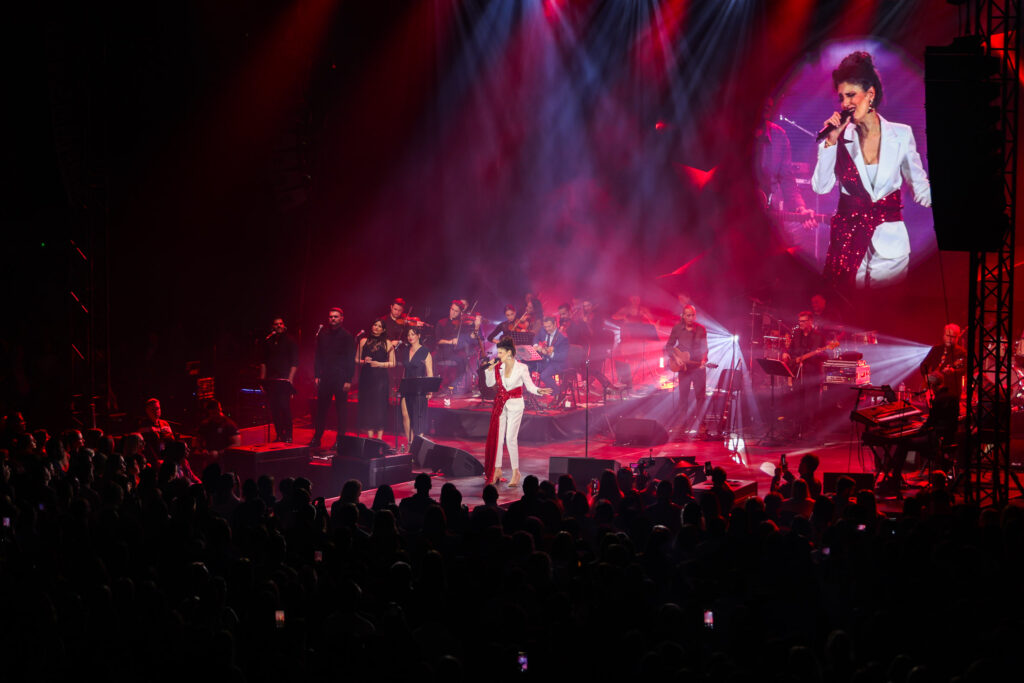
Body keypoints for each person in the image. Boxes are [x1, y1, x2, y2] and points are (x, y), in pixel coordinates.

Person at [812, 51, 931, 289]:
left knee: (882, 308)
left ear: (870, 94)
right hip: (848, 242)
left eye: (851, 95)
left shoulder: (901, 134)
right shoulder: (838, 137)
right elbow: (821, 187)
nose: (845, 104)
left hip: (891, 247)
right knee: (847, 306)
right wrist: (831, 142)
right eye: (841, 98)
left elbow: (921, 190)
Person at [482, 337, 551, 487]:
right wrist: (489, 370)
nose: (498, 355)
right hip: (500, 404)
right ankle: (497, 470)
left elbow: (530, 386)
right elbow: (489, 384)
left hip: (516, 404)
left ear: (509, 353)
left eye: (500, 352)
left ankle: (515, 472)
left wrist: (539, 391)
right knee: (498, 438)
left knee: (510, 438)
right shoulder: (499, 367)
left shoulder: (522, 368)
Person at [311, 307, 356, 450]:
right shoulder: (323, 335)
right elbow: (318, 356)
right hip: (325, 377)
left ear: (342, 318)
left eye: (336, 316)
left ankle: (340, 440)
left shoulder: (347, 336)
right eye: (331, 317)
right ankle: (317, 438)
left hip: (341, 378)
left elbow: (350, 359)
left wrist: (348, 379)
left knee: (341, 411)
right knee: (321, 410)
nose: (333, 319)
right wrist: (317, 374)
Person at [664, 305, 708, 430]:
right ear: (683, 316)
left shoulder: (701, 329)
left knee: (700, 396)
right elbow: (669, 346)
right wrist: (675, 357)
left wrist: (704, 360)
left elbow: (705, 348)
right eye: (688, 315)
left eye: (693, 315)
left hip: (697, 367)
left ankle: (701, 423)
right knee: (683, 396)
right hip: (683, 368)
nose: (691, 318)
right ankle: (682, 423)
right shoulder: (677, 328)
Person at [784, 311, 828, 427]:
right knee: (797, 401)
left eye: (803, 321)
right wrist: (786, 353)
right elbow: (791, 349)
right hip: (798, 372)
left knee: (811, 403)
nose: (800, 323)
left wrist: (819, 354)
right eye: (799, 321)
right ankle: (798, 426)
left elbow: (826, 356)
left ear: (810, 321)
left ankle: (811, 427)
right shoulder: (796, 334)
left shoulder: (819, 336)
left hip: (812, 374)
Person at [259, 317, 298, 442]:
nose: (279, 326)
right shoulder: (268, 341)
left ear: (284, 325)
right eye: (276, 324)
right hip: (271, 379)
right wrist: (262, 380)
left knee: (284, 407)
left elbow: (295, 363)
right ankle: (279, 434)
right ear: (273, 326)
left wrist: (290, 380)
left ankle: (289, 434)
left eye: (281, 323)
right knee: (274, 409)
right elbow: (263, 362)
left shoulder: (290, 341)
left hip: (284, 379)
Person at [357, 319, 395, 440]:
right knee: (368, 406)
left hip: (381, 379)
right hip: (366, 377)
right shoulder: (363, 341)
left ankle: (379, 438)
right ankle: (369, 438)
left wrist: (379, 364)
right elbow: (356, 359)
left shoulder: (387, 343)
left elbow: (393, 363)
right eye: (375, 325)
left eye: (379, 326)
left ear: (383, 330)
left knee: (380, 407)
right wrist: (364, 361)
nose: (376, 327)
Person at [400, 327, 433, 449]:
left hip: (419, 387)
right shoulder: (405, 351)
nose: (410, 337)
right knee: (405, 414)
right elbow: (404, 370)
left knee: (418, 416)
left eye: (413, 334)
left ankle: (417, 446)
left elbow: (429, 371)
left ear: (418, 335)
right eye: (408, 335)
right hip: (406, 386)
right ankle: (409, 443)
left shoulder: (425, 351)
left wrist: (429, 389)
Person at [920, 324, 966, 396]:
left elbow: (965, 369)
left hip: (952, 391)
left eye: (952, 337)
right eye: (947, 335)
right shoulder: (936, 349)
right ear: (943, 336)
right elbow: (924, 365)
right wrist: (926, 376)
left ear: (957, 338)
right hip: (934, 391)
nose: (949, 339)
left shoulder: (961, 352)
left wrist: (953, 371)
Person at [194, 399, 241, 464]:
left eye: (216, 412)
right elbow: (198, 440)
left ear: (220, 409)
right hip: (209, 460)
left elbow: (237, 444)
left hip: (225, 460)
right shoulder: (205, 424)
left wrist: (219, 453)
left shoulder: (229, 424)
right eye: (212, 413)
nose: (214, 415)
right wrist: (202, 450)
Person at [534, 316, 569, 397]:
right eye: (545, 327)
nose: (547, 329)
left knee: (544, 375)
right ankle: (531, 392)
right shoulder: (543, 330)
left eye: (549, 326)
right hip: (545, 360)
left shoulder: (563, 338)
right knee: (526, 367)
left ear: (555, 324)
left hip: (557, 363)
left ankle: (558, 393)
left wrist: (550, 354)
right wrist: (536, 346)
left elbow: (563, 357)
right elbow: (536, 338)